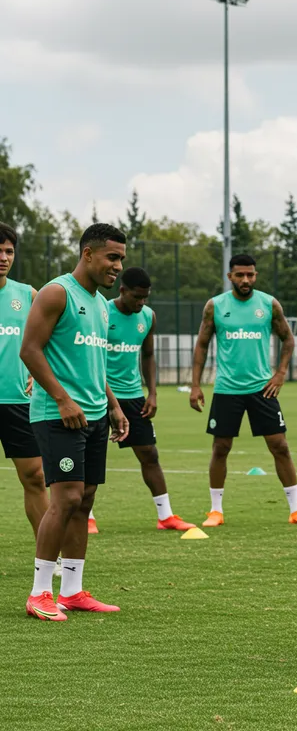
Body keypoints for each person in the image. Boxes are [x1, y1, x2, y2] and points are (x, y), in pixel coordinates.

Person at [21, 223, 130, 621]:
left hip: (95, 414)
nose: (117, 266)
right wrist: (63, 400)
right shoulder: (57, 292)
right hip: (58, 415)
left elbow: (93, 363)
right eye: (112, 257)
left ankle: (72, 591)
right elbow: (29, 350)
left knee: (84, 502)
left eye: (121, 259)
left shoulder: (101, 304)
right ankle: (39, 593)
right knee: (65, 498)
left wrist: (114, 406)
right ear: (88, 254)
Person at [190, 254, 297, 528]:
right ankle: (215, 511)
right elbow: (201, 344)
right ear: (230, 277)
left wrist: (281, 373)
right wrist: (196, 384)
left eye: (250, 275)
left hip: (262, 389)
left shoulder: (268, 304)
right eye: (240, 275)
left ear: (255, 276)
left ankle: (296, 510)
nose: (245, 280)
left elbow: (288, 339)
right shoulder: (215, 306)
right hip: (226, 389)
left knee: (280, 446)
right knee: (220, 448)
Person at [97, 266, 194, 531]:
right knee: (89, 455)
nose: (141, 302)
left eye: (145, 298)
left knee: (149, 454)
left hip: (132, 396)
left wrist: (152, 392)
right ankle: (86, 517)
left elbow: (148, 356)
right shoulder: (102, 312)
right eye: (136, 297)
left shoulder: (148, 316)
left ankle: (166, 516)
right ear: (122, 291)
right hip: (97, 393)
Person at [0, 223, 48, 538]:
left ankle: (49, 557)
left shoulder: (27, 294)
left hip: (17, 402)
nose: (3, 257)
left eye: (8, 251)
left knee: (35, 477)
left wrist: (36, 373)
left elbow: (47, 342)